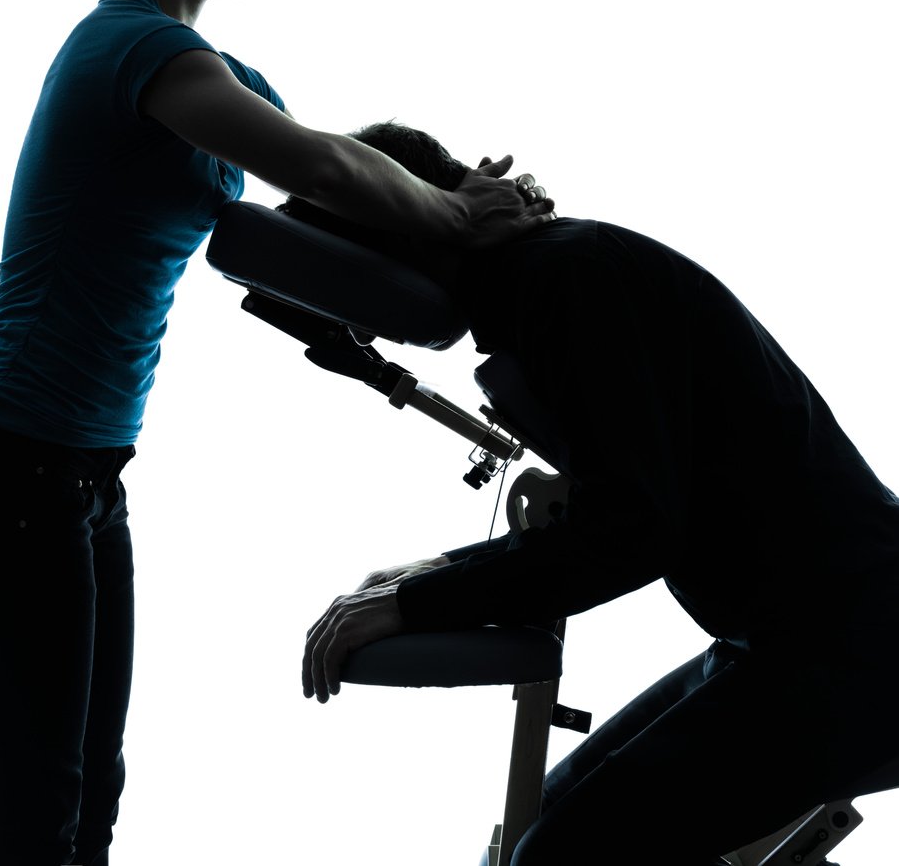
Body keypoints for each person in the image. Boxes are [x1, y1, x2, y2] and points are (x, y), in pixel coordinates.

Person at [0, 0, 554, 866]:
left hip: (76, 480)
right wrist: (449, 209)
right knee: (30, 818)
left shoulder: (208, 73)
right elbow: (316, 164)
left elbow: (333, 195)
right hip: (8, 470)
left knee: (86, 804)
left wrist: (467, 203)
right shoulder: (137, 52)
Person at [297, 121, 899, 866]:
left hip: (855, 644)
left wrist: (410, 604)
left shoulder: (563, 281)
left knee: (560, 857)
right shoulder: (547, 275)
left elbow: (630, 533)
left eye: (351, 281)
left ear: (407, 224)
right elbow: (619, 509)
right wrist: (427, 573)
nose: (362, 323)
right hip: (791, 636)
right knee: (535, 828)